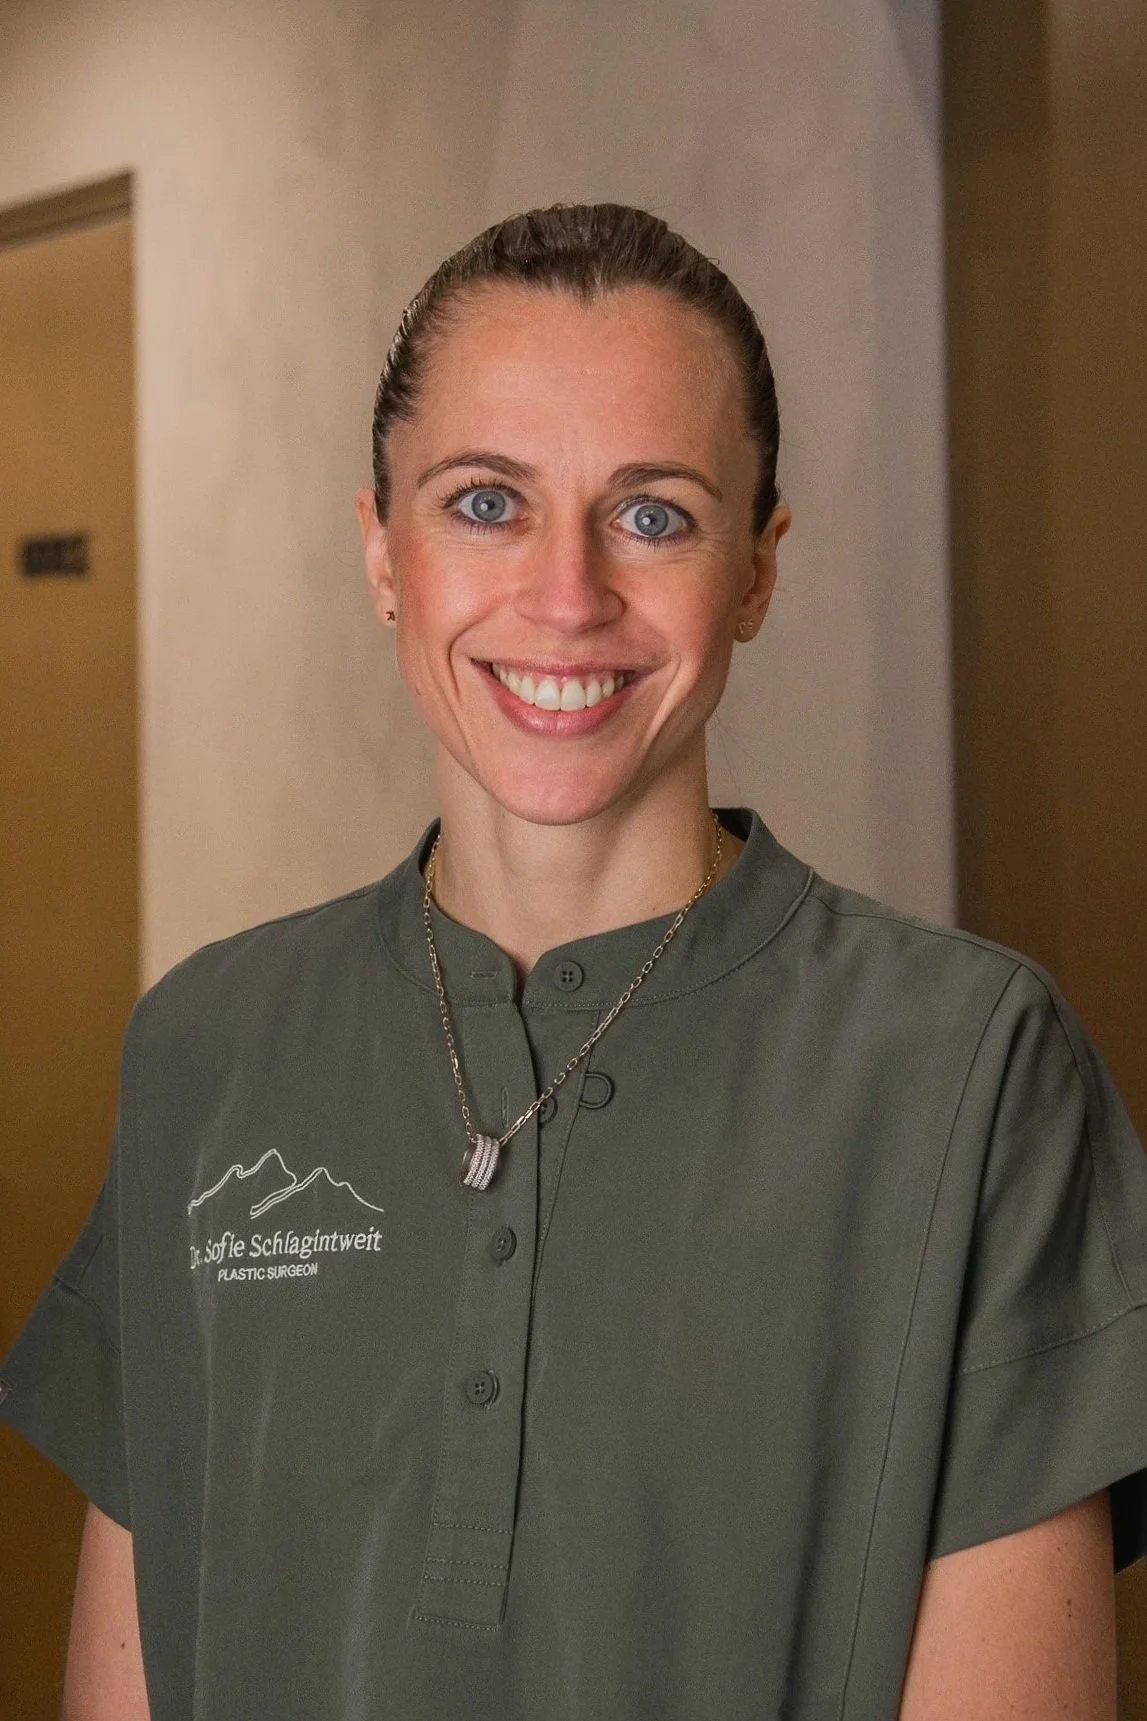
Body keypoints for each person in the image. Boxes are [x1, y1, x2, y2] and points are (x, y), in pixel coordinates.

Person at [3, 202, 1146, 1721]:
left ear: (756, 570)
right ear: (382, 549)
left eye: (653, 515)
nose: (566, 596)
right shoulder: (206, 1047)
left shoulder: (967, 1072)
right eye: (485, 503)